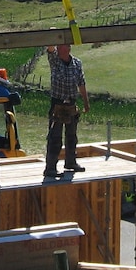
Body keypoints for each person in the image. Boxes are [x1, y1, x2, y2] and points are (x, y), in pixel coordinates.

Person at [44, 43, 90, 178]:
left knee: (71, 136)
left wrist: (86, 102)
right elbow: (50, 48)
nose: (58, 49)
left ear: (68, 49)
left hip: (71, 103)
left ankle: (71, 162)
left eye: (62, 46)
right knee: (54, 137)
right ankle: (50, 168)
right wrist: (56, 36)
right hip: (57, 104)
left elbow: (81, 83)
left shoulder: (76, 63)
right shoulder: (55, 60)